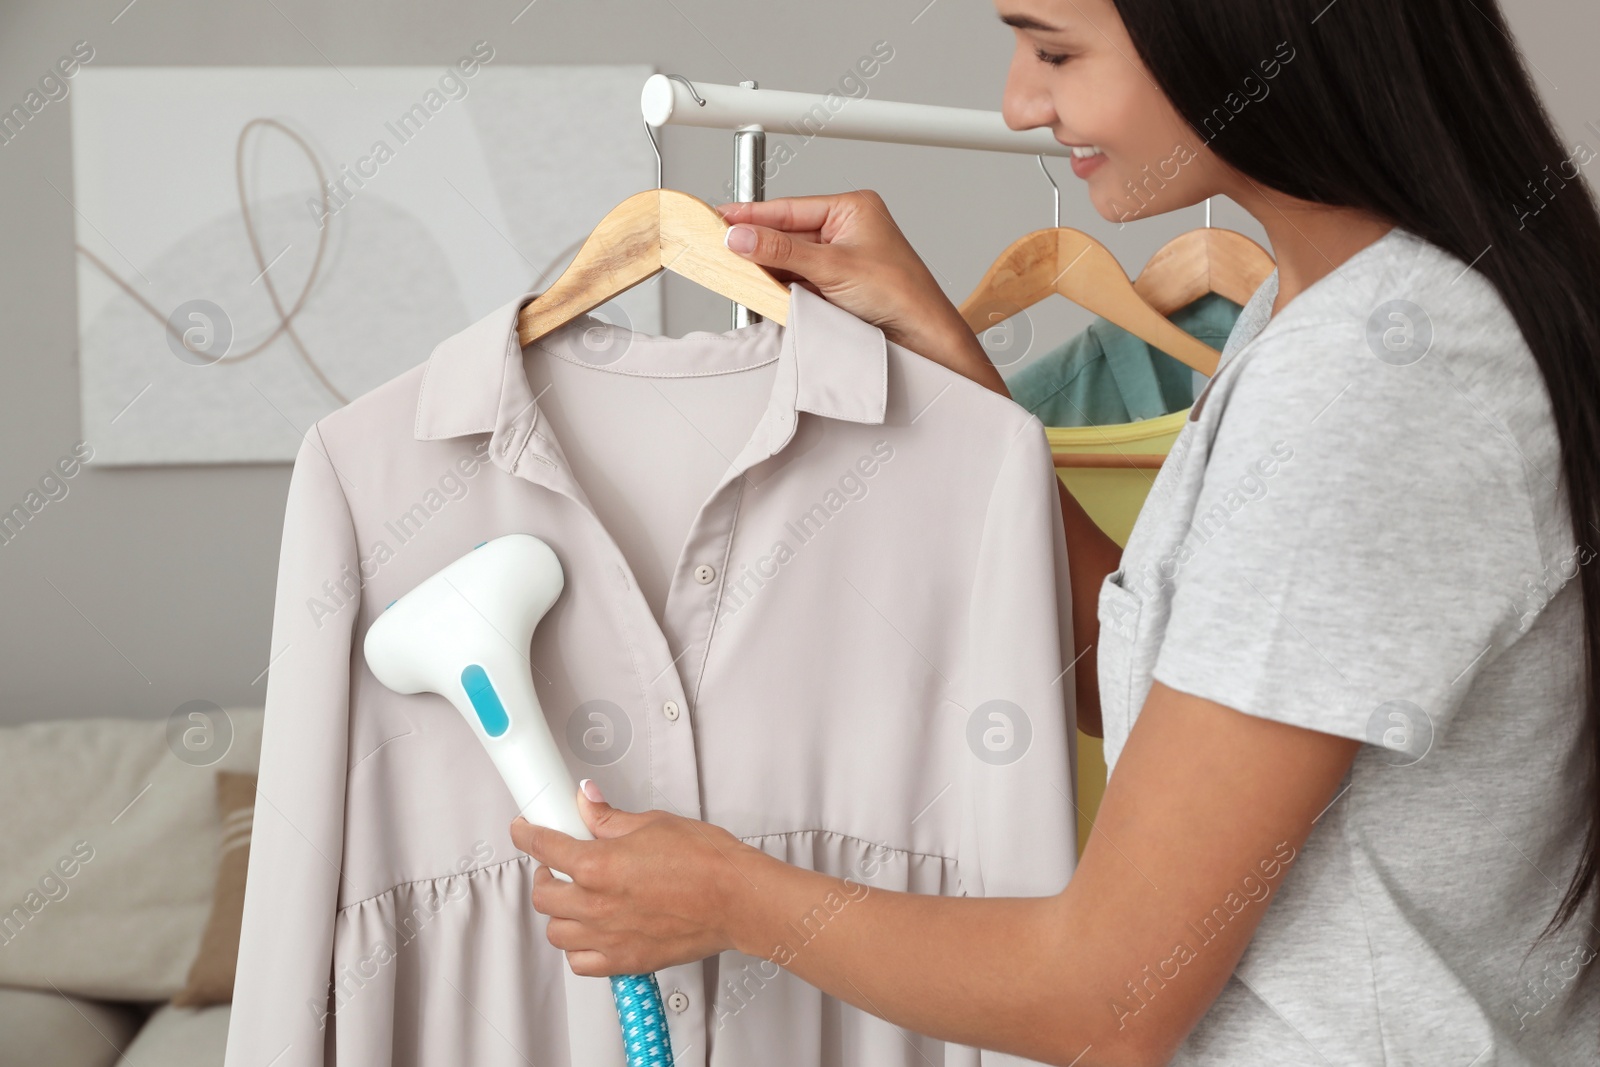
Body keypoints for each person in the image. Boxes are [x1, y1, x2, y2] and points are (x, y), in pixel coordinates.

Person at [511, 0, 1600, 1062]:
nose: (1021, 103)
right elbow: (1130, 676)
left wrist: (731, 897)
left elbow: (1107, 1001)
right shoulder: (1328, 311)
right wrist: (947, 364)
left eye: (1053, 49)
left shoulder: (1370, 380)